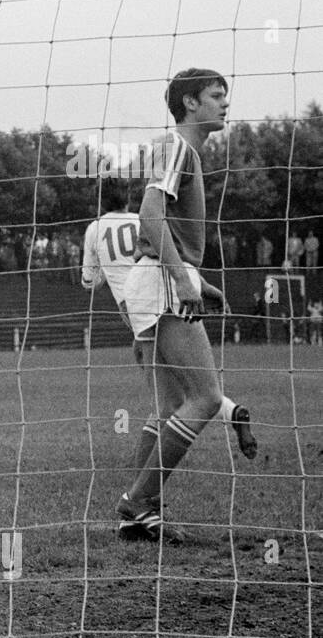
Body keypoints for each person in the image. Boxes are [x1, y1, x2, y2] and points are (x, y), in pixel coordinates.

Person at [115, 68, 238, 543]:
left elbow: (163, 228)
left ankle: (137, 509)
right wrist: (182, 278)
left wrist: (197, 279)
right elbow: (150, 213)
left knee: (169, 405)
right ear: (189, 102)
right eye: (215, 95)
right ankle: (138, 501)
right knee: (206, 398)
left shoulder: (181, 152)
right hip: (162, 282)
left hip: (155, 280)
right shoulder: (178, 147)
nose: (224, 103)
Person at [81, 178, 255, 465]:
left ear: (100, 201)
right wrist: (201, 284)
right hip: (165, 290)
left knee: (170, 391)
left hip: (137, 305)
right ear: (128, 196)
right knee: (182, 380)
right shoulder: (141, 220)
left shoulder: (94, 228)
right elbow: (165, 253)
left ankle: (145, 476)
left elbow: (89, 282)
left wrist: (105, 271)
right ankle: (232, 412)